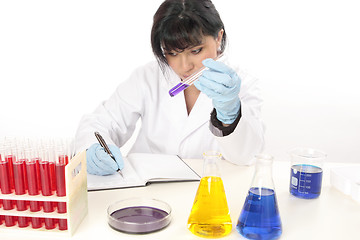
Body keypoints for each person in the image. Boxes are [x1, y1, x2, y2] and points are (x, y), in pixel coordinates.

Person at [75, 0, 264, 176]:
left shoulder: (243, 84)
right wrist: (93, 149)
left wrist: (231, 116)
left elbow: (246, 157)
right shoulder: (148, 77)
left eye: (196, 50)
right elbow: (101, 123)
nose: (184, 66)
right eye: (172, 53)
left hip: (209, 192)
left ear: (218, 37)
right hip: (147, 191)